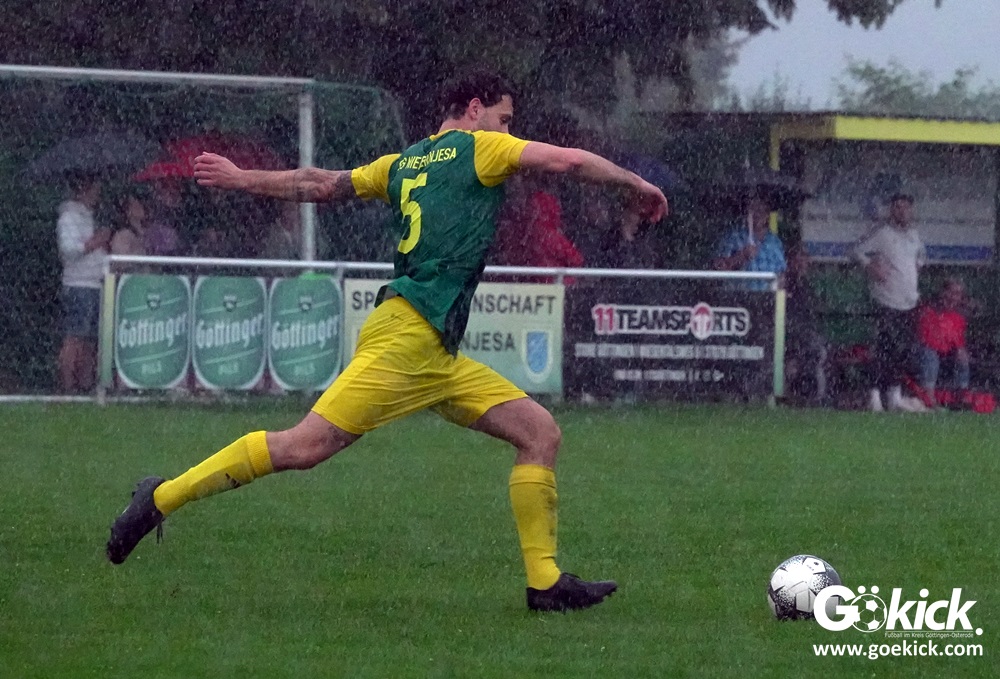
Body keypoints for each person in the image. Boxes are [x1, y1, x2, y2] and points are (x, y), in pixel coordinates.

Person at [106, 69, 669, 613]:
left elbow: (320, 183)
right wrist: (635, 184)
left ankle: (544, 583)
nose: (508, 131)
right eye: (504, 118)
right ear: (474, 110)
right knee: (304, 447)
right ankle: (160, 497)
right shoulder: (482, 148)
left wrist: (242, 178)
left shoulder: (402, 162)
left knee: (539, 433)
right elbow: (568, 161)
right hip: (407, 342)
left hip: (432, 350)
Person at [850, 192, 927, 413]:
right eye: (897, 207)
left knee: (901, 351)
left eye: (905, 207)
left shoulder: (914, 235)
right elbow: (856, 250)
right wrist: (871, 266)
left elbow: (921, 255)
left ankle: (895, 395)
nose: (902, 211)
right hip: (886, 301)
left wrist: (917, 266)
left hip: (908, 301)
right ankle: (874, 395)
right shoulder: (882, 233)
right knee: (883, 349)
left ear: (911, 210)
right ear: (892, 210)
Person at [56, 173, 110, 393]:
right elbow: (69, 250)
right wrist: (96, 241)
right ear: (84, 189)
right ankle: (68, 386)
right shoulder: (69, 217)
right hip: (79, 284)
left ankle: (86, 384)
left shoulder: (89, 215)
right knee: (75, 336)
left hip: (95, 282)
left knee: (90, 338)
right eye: (95, 189)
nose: (98, 194)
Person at [712, 192, 786, 291]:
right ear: (746, 214)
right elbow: (718, 270)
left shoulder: (775, 241)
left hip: (768, 297)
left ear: (767, 215)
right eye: (753, 210)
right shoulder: (733, 236)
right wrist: (742, 256)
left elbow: (782, 273)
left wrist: (779, 289)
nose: (757, 214)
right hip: (739, 296)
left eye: (761, 210)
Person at [783, 242, 828, 405]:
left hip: (806, 332)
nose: (804, 262)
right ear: (791, 260)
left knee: (818, 351)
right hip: (790, 332)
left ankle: (814, 394)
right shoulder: (787, 281)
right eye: (800, 257)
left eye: (805, 257)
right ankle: (798, 392)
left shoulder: (805, 283)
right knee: (811, 351)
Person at [916, 277, 971, 406]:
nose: (953, 297)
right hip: (923, 351)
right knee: (930, 356)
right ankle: (929, 397)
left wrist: (959, 349)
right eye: (951, 292)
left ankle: (961, 396)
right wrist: (948, 346)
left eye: (957, 294)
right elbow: (927, 338)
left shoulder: (959, 316)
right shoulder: (928, 310)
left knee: (962, 359)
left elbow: (958, 339)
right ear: (942, 292)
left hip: (944, 352)